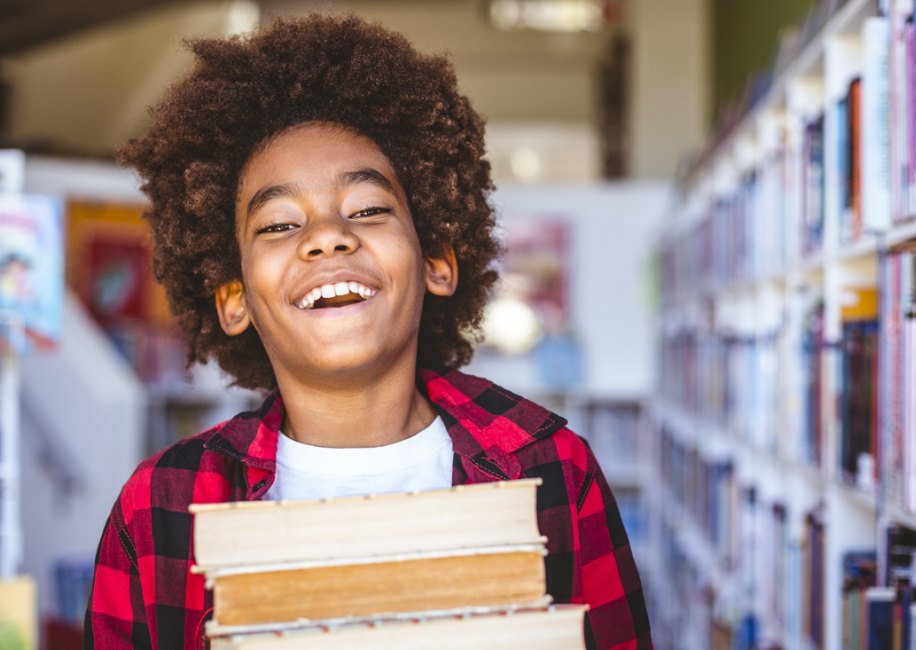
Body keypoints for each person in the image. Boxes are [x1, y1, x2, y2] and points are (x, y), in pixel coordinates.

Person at [83, 13, 654, 650]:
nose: (328, 235)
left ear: (437, 263)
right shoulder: (159, 508)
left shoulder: (553, 469)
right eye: (277, 225)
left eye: (368, 210)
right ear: (234, 298)